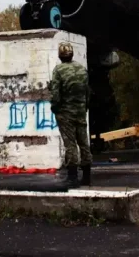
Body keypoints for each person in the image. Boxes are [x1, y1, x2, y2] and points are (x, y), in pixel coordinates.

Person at [49, 41, 92, 187]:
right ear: (72, 54)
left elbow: (55, 94)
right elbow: (88, 91)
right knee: (84, 142)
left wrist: (55, 108)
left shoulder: (59, 70)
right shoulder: (81, 69)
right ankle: (87, 176)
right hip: (80, 111)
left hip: (66, 113)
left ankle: (72, 178)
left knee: (70, 144)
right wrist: (85, 107)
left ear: (60, 55)